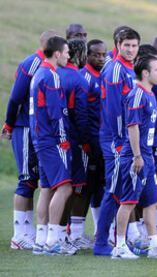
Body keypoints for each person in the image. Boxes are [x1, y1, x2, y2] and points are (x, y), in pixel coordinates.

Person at [112, 55, 157, 259]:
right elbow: (132, 127)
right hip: (136, 157)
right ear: (146, 73)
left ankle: (155, 244)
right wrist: (137, 156)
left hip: (147, 156)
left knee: (150, 202)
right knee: (129, 201)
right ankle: (120, 246)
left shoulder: (150, 94)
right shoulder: (138, 95)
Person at [2, 30, 57, 250]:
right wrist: (9, 124)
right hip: (25, 127)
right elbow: (16, 97)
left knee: (35, 180)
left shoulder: (48, 65)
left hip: (37, 130)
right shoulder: (33, 63)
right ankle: (19, 233)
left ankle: (28, 231)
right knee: (26, 179)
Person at [93, 28, 140, 256]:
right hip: (115, 139)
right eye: (127, 45)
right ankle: (101, 242)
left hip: (126, 139)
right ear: (118, 45)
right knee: (113, 189)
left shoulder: (131, 68)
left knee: (122, 190)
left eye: (134, 45)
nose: (130, 50)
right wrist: (121, 141)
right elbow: (113, 111)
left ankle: (118, 240)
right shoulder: (114, 70)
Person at [29, 36, 76, 255]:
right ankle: (53, 241)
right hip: (51, 140)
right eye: (66, 52)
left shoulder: (38, 73)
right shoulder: (52, 76)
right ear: (57, 53)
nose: (69, 55)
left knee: (47, 188)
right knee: (65, 186)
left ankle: (41, 239)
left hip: (40, 138)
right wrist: (63, 139)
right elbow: (55, 113)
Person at [57, 39, 91, 249]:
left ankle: (51, 234)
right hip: (72, 141)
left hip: (51, 139)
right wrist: (85, 141)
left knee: (52, 187)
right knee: (71, 188)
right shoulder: (78, 79)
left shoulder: (53, 74)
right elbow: (80, 115)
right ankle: (65, 235)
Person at [79, 39, 107, 236]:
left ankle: (100, 230)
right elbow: (82, 113)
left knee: (101, 184)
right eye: (96, 54)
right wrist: (86, 141)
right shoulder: (84, 77)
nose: (101, 58)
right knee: (87, 185)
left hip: (104, 139)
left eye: (103, 54)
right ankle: (74, 231)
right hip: (90, 140)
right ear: (87, 55)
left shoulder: (105, 75)